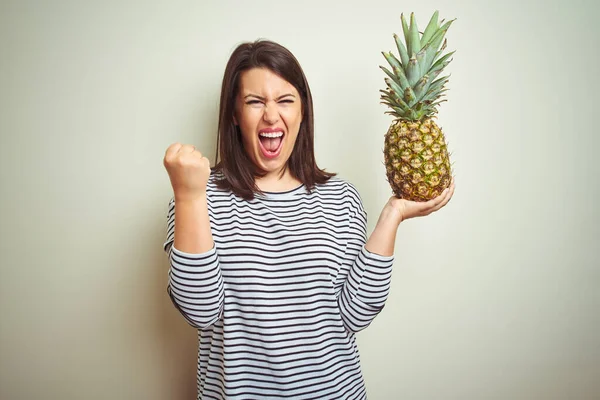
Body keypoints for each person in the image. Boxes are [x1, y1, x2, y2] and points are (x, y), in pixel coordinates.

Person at [162, 39, 454, 400]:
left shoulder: (340, 197)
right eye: (255, 102)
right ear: (234, 114)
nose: (271, 116)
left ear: (303, 112)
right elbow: (200, 311)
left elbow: (355, 315)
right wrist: (189, 196)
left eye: (285, 101)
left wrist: (392, 216)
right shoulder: (200, 196)